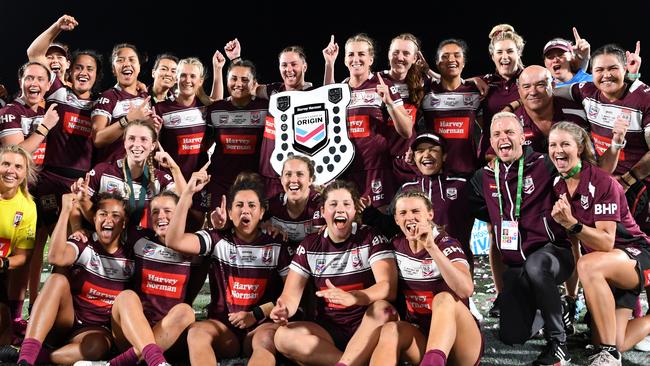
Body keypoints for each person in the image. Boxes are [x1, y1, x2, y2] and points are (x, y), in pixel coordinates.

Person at [468, 112, 574, 365]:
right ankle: (555, 307)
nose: (503, 138)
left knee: (537, 266)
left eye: (509, 132)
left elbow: (581, 175)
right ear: (491, 142)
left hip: (553, 255)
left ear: (522, 136)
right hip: (517, 268)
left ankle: (559, 343)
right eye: (497, 134)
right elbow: (465, 207)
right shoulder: (483, 177)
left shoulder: (545, 164)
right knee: (512, 336)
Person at [548, 121, 650, 365]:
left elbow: (606, 242)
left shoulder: (602, 181)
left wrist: (572, 223)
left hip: (635, 253)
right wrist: (572, 297)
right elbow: (574, 244)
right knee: (620, 339)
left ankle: (608, 354)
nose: (558, 150)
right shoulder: (558, 185)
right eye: (552, 144)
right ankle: (613, 344)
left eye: (565, 144)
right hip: (605, 268)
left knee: (589, 263)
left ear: (580, 148)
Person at [165, 171, 291, 366]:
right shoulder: (217, 239)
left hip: (259, 327)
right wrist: (187, 194)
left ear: (262, 212)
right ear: (230, 213)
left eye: (252, 206)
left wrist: (255, 314)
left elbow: (291, 297)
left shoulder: (276, 244)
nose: (245, 211)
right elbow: (174, 240)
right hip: (224, 329)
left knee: (266, 339)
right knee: (197, 332)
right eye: (239, 205)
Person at [270, 180, 398, 366]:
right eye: (333, 204)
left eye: (346, 204)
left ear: (354, 211)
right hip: (330, 331)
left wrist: (355, 297)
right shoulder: (310, 245)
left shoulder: (370, 237)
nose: (340, 209)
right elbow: (290, 296)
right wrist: (283, 310)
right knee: (282, 336)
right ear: (323, 211)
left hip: (368, 326)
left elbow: (388, 288)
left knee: (383, 309)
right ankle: (347, 362)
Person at [76, 191, 195, 366]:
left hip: (169, 335)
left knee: (185, 311)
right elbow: (109, 224)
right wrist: (81, 227)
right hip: (131, 331)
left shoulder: (193, 247)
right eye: (155, 211)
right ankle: (155, 361)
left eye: (168, 211)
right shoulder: (139, 237)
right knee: (126, 296)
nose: (161, 216)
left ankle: (117, 363)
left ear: (180, 214)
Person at [16, 192, 133, 365]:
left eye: (115, 215)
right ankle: (26, 356)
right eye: (102, 214)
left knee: (97, 346)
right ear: (94, 219)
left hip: (96, 328)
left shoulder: (131, 256)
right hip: (67, 319)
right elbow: (55, 258)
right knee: (57, 280)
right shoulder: (84, 241)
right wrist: (65, 212)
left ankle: (36, 357)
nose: (108, 219)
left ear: (124, 223)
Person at [368, 190, 482, 366]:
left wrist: (431, 248)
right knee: (391, 330)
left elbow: (466, 289)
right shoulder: (395, 246)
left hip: (461, 344)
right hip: (423, 338)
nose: (410, 217)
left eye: (416, 211)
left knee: (443, 298)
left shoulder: (446, 243)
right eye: (403, 213)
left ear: (430, 214)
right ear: (396, 219)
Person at [340, 34, 413, 210]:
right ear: (344, 59)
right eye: (351, 54)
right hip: (345, 170)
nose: (355, 59)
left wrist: (389, 103)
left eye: (361, 54)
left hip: (377, 171)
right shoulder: (340, 89)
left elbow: (407, 131)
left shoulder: (384, 85)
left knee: (380, 225)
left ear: (371, 59)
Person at [78, 120, 185, 229]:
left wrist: (175, 169)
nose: (137, 144)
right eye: (131, 138)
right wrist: (85, 228)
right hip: (107, 237)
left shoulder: (160, 179)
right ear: (124, 143)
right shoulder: (103, 171)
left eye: (144, 139)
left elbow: (185, 202)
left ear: (153, 145)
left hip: (142, 241)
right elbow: (76, 204)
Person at [195, 60, 268, 213]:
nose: (238, 83)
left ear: (254, 83)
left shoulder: (265, 107)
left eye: (245, 79)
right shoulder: (215, 109)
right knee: (220, 224)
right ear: (227, 80)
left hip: (253, 183)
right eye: (234, 78)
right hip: (220, 182)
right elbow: (205, 143)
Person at [421, 38, 483, 177]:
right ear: (437, 63)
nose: (451, 59)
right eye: (445, 56)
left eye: (457, 55)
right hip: (434, 171)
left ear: (464, 62)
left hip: (467, 171)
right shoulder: (426, 92)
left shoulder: (476, 91)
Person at [91, 43, 155, 164]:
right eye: (120, 60)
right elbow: (98, 139)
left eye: (132, 59)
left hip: (141, 172)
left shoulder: (145, 97)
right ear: (114, 70)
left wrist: (156, 130)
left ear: (139, 67)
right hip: (113, 173)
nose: (126, 63)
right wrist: (127, 120)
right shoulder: (108, 97)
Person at [0, 146, 37, 345]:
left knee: (4, 331)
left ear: (25, 173)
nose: (11, 171)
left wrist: (3, 264)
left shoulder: (28, 207)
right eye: (5, 164)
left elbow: (23, 256)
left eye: (18, 166)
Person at [508, 65, 588, 153]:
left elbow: (589, 152)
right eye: (526, 86)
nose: (533, 92)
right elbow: (493, 156)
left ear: (553, 85)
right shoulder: (512, 122)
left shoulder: (576, 112)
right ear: (519, 90)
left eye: (540, 85)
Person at [266, 155, 323, 251]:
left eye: (300, 174)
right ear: (281, 179)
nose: (293, 180)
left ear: (310, 180)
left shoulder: (321, 204)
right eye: (288, 174)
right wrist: (265, 227)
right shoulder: (273, 204)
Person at [26, 15, 77, 85]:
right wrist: (57, 26)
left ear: (68, 64)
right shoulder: (44, 88)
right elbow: (34, 53)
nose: (55, 61)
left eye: (59, 57)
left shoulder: (76, 89)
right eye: (50, 57)